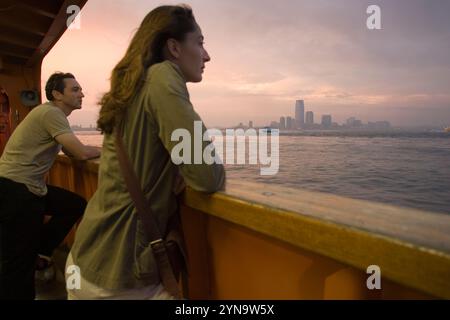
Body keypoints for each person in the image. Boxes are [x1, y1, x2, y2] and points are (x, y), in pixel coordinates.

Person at [66, 5, 225, 299]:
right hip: (118, 276)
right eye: (200, 43)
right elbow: (207, 176)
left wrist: (174, 167)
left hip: (87, 260)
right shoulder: (164, 77)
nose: (206, 55)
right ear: (174, 47)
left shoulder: (134, 86)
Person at [0, 72, 101, 300]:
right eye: (74, 89)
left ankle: (40, 248)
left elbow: (68, 149)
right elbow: (79, 152)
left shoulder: (51, 115)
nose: (81, 93)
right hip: (15, 190)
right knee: (17, 266)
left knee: (73, 205)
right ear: (57, 94)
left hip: (27, 187)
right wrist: (107, 152)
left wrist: (83, 150)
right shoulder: (51, 112)